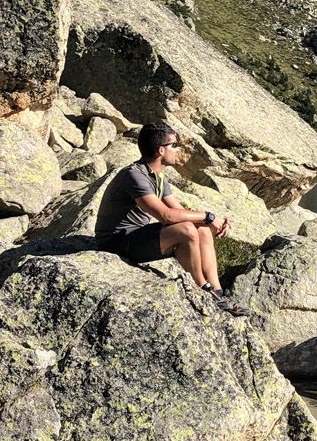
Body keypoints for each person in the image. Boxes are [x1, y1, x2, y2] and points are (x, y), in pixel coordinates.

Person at [95, 121, 247, 315]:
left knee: (200, 228)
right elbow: (165, 215)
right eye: (174, 145)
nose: (177, 149)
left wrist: (212, 223)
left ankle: (217, 291)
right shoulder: (134, 175)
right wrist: (208, 216)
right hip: (115, 242)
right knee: (186, 230)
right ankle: (203, 289)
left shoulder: (158, 176)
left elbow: (179, 211)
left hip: (135, 238)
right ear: (160, 150)